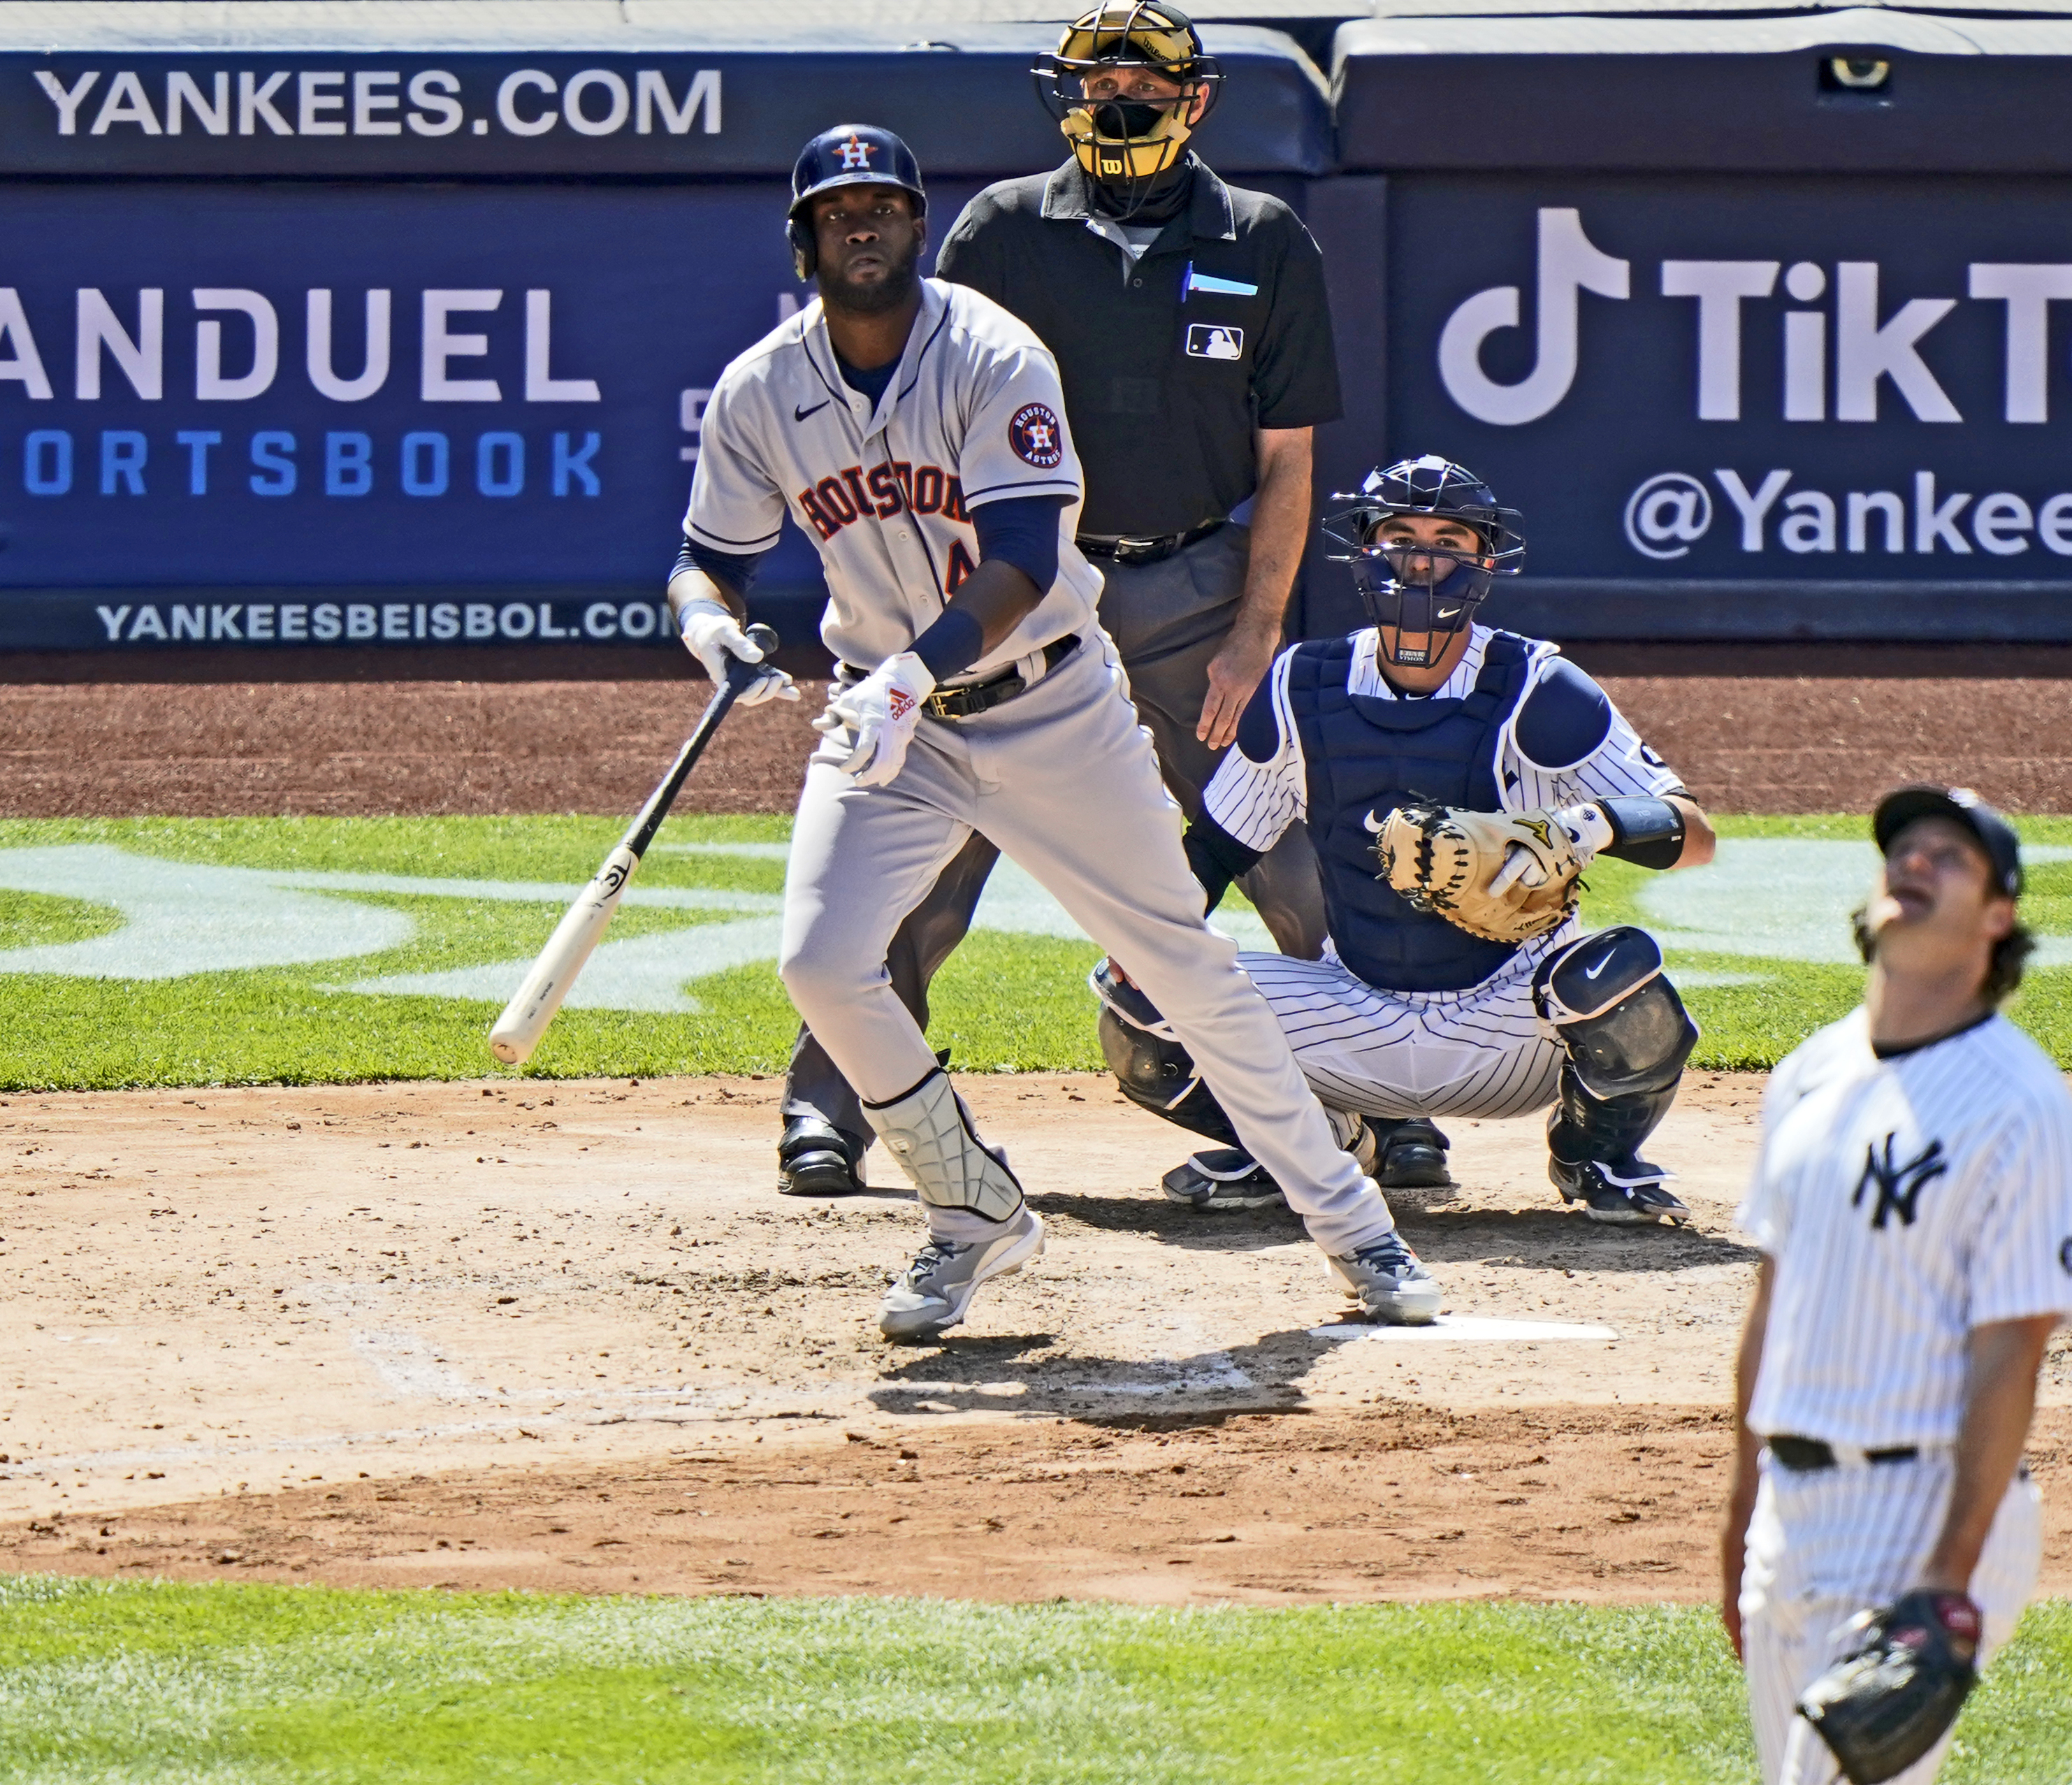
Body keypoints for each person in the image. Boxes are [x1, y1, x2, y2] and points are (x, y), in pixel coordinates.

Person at [670, 124, 1441, 1332]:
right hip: (890, 725)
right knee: (820, 964)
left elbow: (1024, 558)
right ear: (804, 238)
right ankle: (974, 1210)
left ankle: (1355, 1228)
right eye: (836, 210)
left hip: (1048, 707)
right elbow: (705, 560)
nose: (860, 224)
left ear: (918, 228)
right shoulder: (762, 387)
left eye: (881, 205)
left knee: (1186, 964)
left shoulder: (991, 352)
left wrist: (904, 678)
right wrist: (706, 626)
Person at [771, 0, 1348, 1199]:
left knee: (1291, 859)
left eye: (1142, 80)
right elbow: (927, 414)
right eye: (1097, 80)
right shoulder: (1000, 230)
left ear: (1194, 100)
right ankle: (830, 1107)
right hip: (1020, 594)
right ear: (1064, 97)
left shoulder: (1264, 235)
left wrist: (1254, 634)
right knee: (920, 862)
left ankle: (1376, 1104)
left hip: (1196, 584)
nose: (1118, 99)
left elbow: (1289, 457)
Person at [1091, 454, 1718, 1223]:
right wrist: (1149, 933)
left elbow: (1693, 833)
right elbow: (1218, 847)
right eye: (1399, 537)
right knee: (1134, 995)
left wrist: (1584, 826)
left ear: (1484, 560)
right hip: (1350, 1004)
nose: (1421, 560)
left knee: (1624, 981)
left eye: (1447, 540)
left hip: (1506, 1021)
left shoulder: (1536, 686)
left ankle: (1592, 1155)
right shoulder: (1300, 685)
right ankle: (1307, 1147)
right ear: (1365, 551)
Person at [1717, 787, 2072, 1784]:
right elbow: (1775, 1302)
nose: (1915, 864)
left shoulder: (2021, 1105)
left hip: (1920, 1505)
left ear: (1996, 918)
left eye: (1950, 858)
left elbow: (2012, 1347)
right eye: (1905, 849)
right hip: (1789, 1516)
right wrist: (1740, 1509)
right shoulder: (1809, 1073)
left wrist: (1951, 1572)